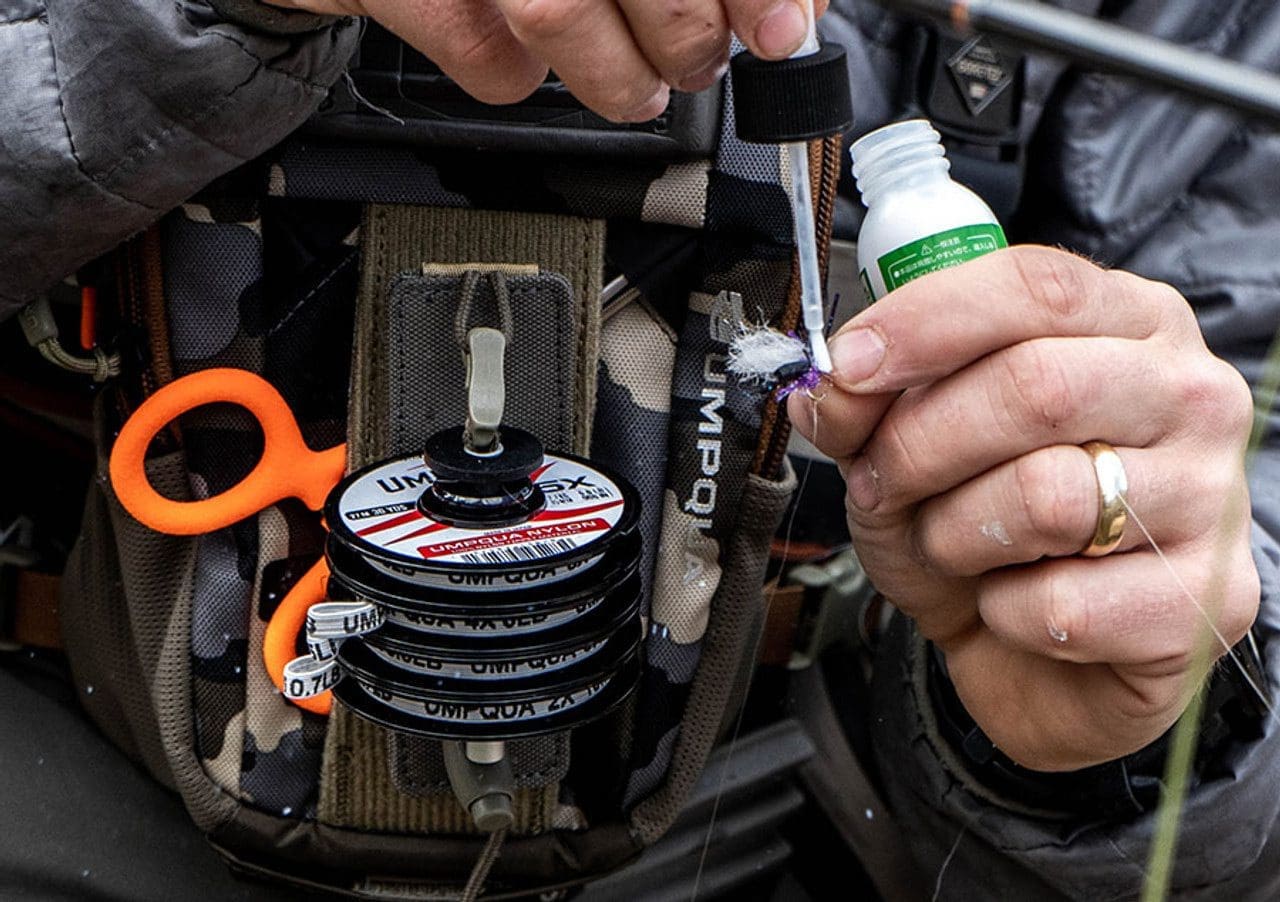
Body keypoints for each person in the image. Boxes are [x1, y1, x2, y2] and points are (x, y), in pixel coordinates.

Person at [1, 1, 1277, 898]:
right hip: (61, 737)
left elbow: (1232, 527)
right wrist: (201, 19)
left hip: (789, 793)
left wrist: (1133, 723)